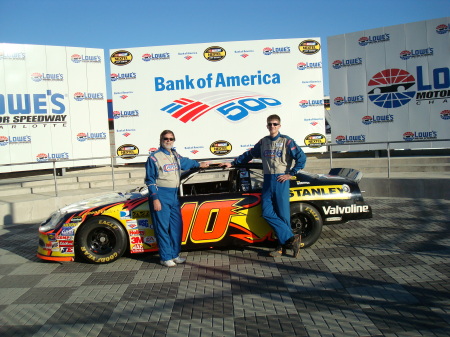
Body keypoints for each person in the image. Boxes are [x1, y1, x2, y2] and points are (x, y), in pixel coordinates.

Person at [221, 114, 307, 258]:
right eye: (270, 124)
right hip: (267, 180)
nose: (272, 126)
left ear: (279, 126)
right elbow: (249, 155)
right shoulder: (263, 142)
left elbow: (301, 158)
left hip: (281, 181)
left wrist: (290, 173)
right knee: (266, 213)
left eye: (275, 124)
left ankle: (281, 247)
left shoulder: (287, 141)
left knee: (283, 215)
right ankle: (292, 239)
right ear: (267, 126)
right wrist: (232, 163)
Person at [145, 130, 209, 267]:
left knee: (176, 226)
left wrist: (199, 164)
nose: (168, 141)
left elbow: (185, 162)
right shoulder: (154, 158)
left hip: (174, 195)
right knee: (162, 227)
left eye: (171, 138)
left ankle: (174, 254)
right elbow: (150, 180)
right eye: (166, 138)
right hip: (161, 195)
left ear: (174, 140)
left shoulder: (174, 154)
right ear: (160, 139)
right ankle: (165, 257)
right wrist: (155, 198)